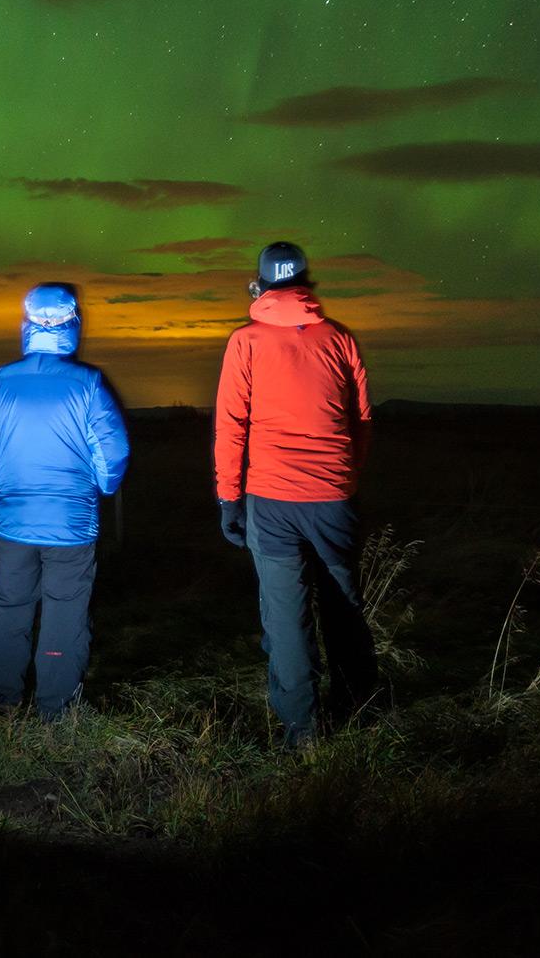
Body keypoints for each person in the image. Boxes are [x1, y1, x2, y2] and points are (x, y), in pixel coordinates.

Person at [214, 242, 378, 746]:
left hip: (272, 500)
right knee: (344, 607)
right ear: (307, 283)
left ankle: (302, 733)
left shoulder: (246, 342)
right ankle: (358, 710)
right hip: (332, 498)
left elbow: (231, 424)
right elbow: (361, 420)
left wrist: (229, 497)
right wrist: (344, 481)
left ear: (260, 286)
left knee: (286, 617)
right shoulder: (341, 338)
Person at [0, 283, 129, 719]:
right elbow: (112, 452)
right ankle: (56, 708)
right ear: (73, 323)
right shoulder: (88, 384)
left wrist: (1, 484)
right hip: (72, 525)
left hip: (14, 520)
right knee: (65, 612)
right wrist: (102, 488)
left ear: (27, 322)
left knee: (10, 608)